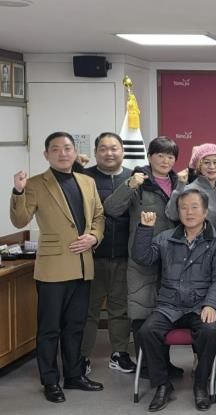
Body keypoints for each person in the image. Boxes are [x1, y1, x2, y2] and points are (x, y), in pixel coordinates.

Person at [10, 132, 105, 403]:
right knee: (49, 328)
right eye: (56, 149)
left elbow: (98, 216)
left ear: (75, 152)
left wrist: (94, 236)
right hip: (53, 267)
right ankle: (50, 380)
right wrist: (18, 191)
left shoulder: (87, 181)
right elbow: (19, 220)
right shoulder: (35, 184)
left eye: (67, 148)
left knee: (75, 325)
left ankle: (74, 375)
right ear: (46, 154)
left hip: (83, 265)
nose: (63, 153)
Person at [134, 189, 216, 412]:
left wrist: (212, 304)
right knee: (147, 331)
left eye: (195, 207)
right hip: (169, 304)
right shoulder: (166, 238)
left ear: (205, 212)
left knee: (209, 332)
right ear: (178, 212)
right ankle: (162, 385)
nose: (189, 212)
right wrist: (145, 230)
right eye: (184, 207)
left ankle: (201, 385)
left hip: (200, 304)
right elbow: (142, 257)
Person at [103, 136, 182, 378]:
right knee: (142, 310)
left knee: (165, 311)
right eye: (160, 155)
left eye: (170, 156)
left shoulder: (179, 183)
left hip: (171, 257)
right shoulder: (138, 181)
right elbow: (111, 208)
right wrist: (130, 185)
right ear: (150, 157)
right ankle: (146, 366)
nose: (165, 160)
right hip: (141, 255)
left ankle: (164, 363)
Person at [81, 132, 136, 375]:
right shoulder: (84, 178)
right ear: (95, 152)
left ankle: (120, 353)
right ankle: (81, 357)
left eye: (114, 148)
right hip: (90, 257)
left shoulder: (133, 178)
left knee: (120, 309)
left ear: (122, 151)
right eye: (103, 148)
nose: (109, 153)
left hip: (124, 256)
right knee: (88, 310)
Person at [166, 143, 216, 235]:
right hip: (196, 242)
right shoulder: (189, 189)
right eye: (206, 162)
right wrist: (179, 189)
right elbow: (172, 215)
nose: (212, 167)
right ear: (198, 166)